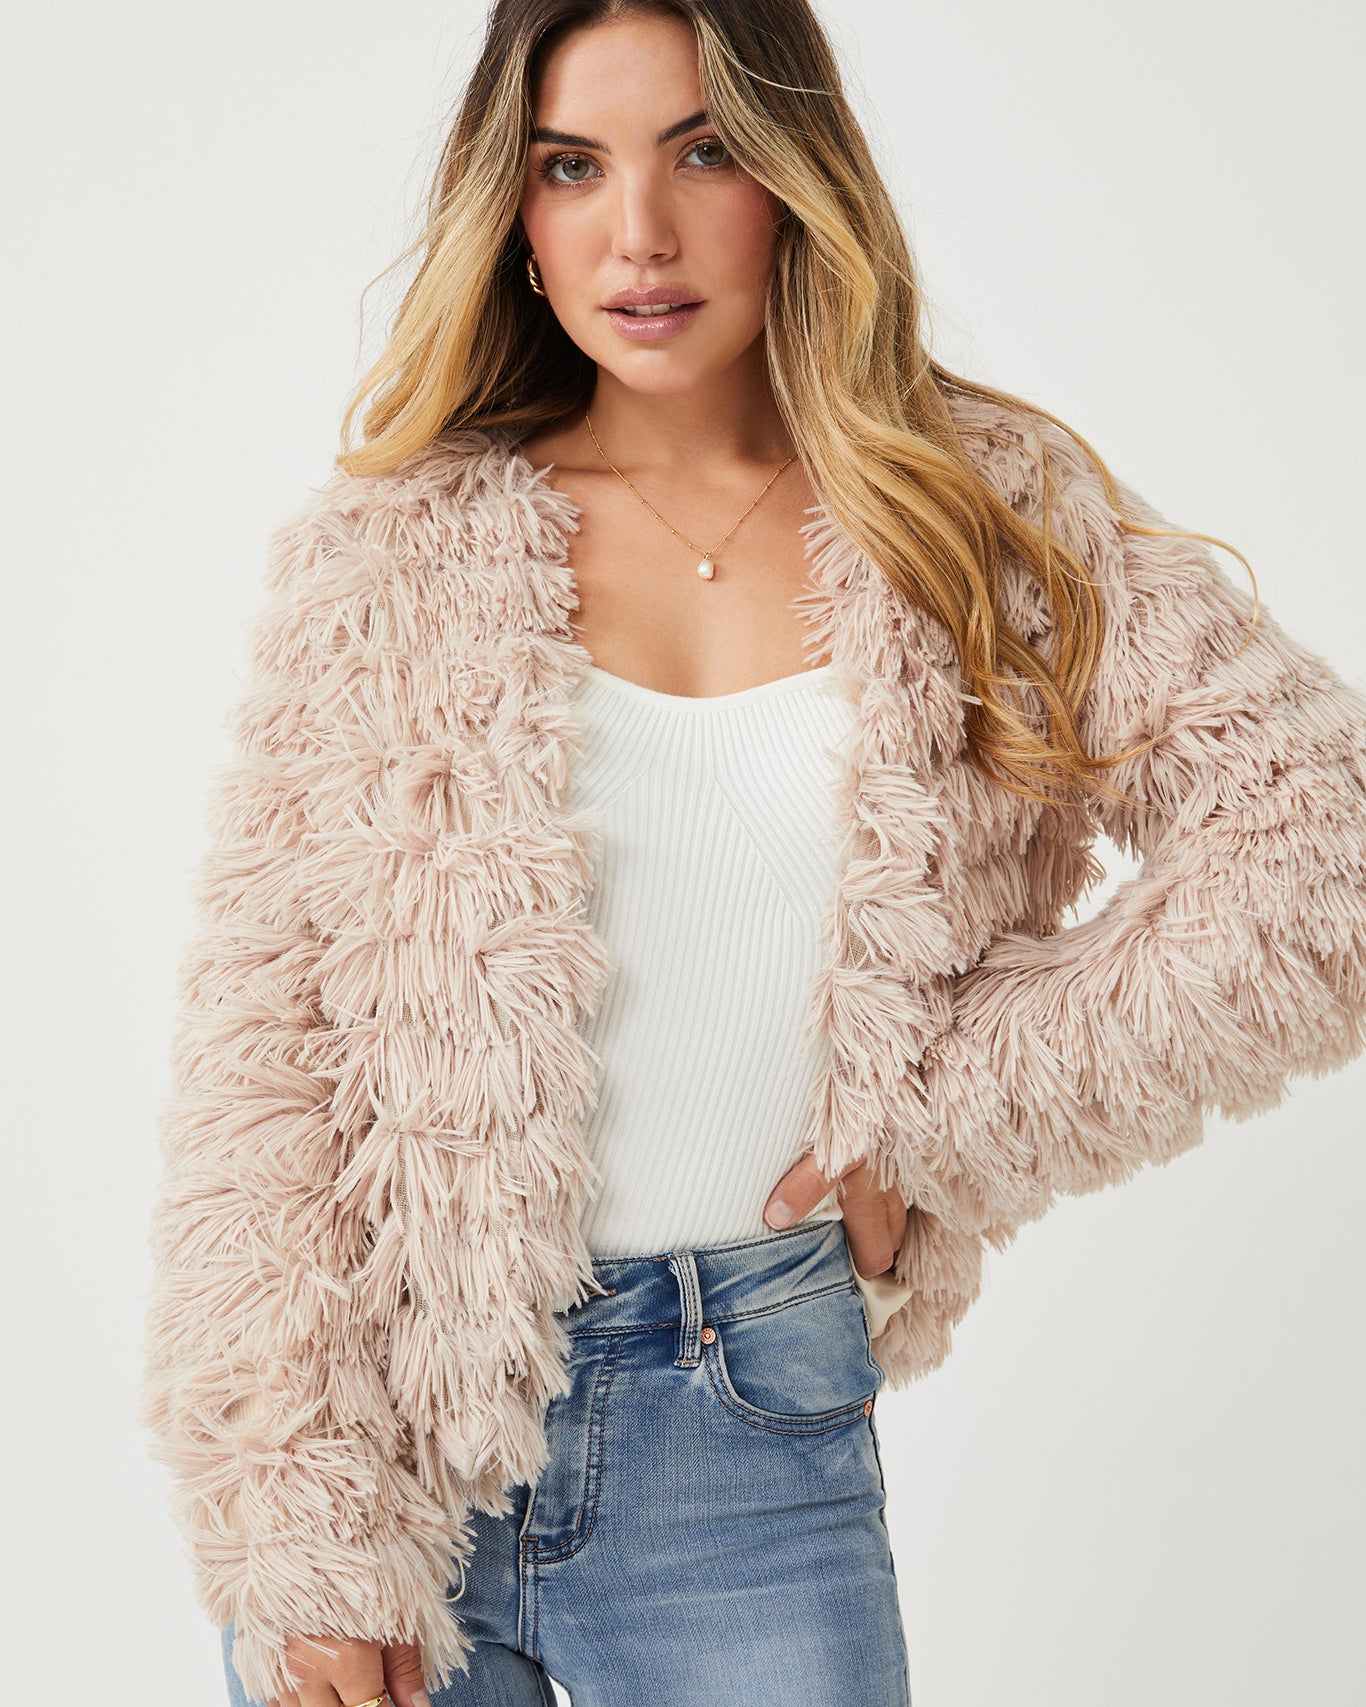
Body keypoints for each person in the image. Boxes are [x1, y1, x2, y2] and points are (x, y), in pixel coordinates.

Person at [139, 2, 1366, 1705]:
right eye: (573, 167)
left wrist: (948, 1114)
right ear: (514, 211)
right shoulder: (395, 552)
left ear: (797, 180)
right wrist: (297, 1528)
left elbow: (1321, 848)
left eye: (702, 151)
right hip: (394, 1445)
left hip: (750, 1425)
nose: (637, 233)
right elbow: (263, 1070)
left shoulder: (977, 514)